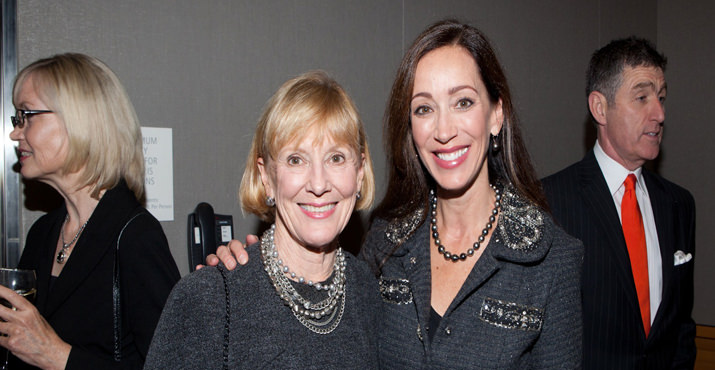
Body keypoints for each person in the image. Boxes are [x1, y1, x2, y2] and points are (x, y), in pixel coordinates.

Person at [209, 20, 583, 369]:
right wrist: (247, 272)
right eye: (424, 109)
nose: (443, 129)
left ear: (496, 114)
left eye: (463, 102)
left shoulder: (550, 259)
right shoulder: (386, 243)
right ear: (411, 129)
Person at [144, 71, 379, 369]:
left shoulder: (369, 292)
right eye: (296, 159)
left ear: (359, 173)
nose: (319, 184)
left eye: (336, 158)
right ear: (266, 177)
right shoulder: (209, 301)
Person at [0, 53, 181, 370]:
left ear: (78, 120)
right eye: (17, 119)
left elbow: (173, 365)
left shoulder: (136, 236)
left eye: (27, 115)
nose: (16, 133)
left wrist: (57, 356)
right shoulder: (43, 232)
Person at [542, 37, 696, 369]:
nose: (659, 113)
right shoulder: (550, 202)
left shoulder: (680, 205)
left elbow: (682, 325)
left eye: (662, 98)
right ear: (599, 108)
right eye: (642, 97)